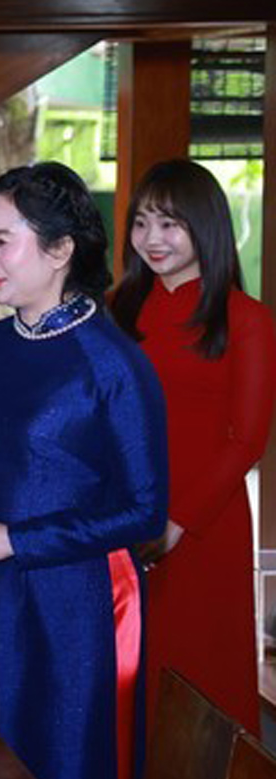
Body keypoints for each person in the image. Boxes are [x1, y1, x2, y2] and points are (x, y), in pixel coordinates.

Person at [0, 162, 167, 779]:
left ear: (61, 249)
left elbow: (145, 509)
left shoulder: (114, 364)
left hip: (79, 608)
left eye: (3, 241)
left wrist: (18, 540)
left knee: (66, 776)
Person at [110, 159, 276, 734]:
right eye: (142, 222)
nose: (152, 239)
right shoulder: (117, 311)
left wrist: (179, 521)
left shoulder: (246, 319)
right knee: (127, 674)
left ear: (204, 226)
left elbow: (248, 439)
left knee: (202, 677)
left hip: (208, 524)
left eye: (170, 224)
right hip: (122, 516)